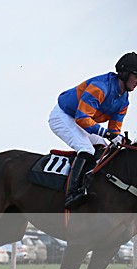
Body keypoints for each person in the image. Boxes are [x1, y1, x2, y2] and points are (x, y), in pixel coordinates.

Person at [49, 52, 137, 209]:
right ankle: (72, 193)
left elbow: (114, 128)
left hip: (83, 120)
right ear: (124, 73)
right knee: (86, 149)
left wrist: (117, 138)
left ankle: (90, 183)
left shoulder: (124, 100)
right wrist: (107, 134)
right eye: (136, 76)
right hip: (64, 116)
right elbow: (82, 118)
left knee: (106, 148)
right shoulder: (100, 87)